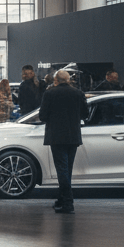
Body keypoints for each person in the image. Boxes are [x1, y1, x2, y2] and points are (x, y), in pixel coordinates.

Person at [39, 70, 89, 214]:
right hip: (73, 136)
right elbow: (85, 114)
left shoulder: (49, 94)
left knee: (62, 170)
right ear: (68, 80)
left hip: (56, 136)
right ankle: (61, 200)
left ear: (56, 80)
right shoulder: (78, 93)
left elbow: (42, 116)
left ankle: (68, 203)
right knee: (67, 170)